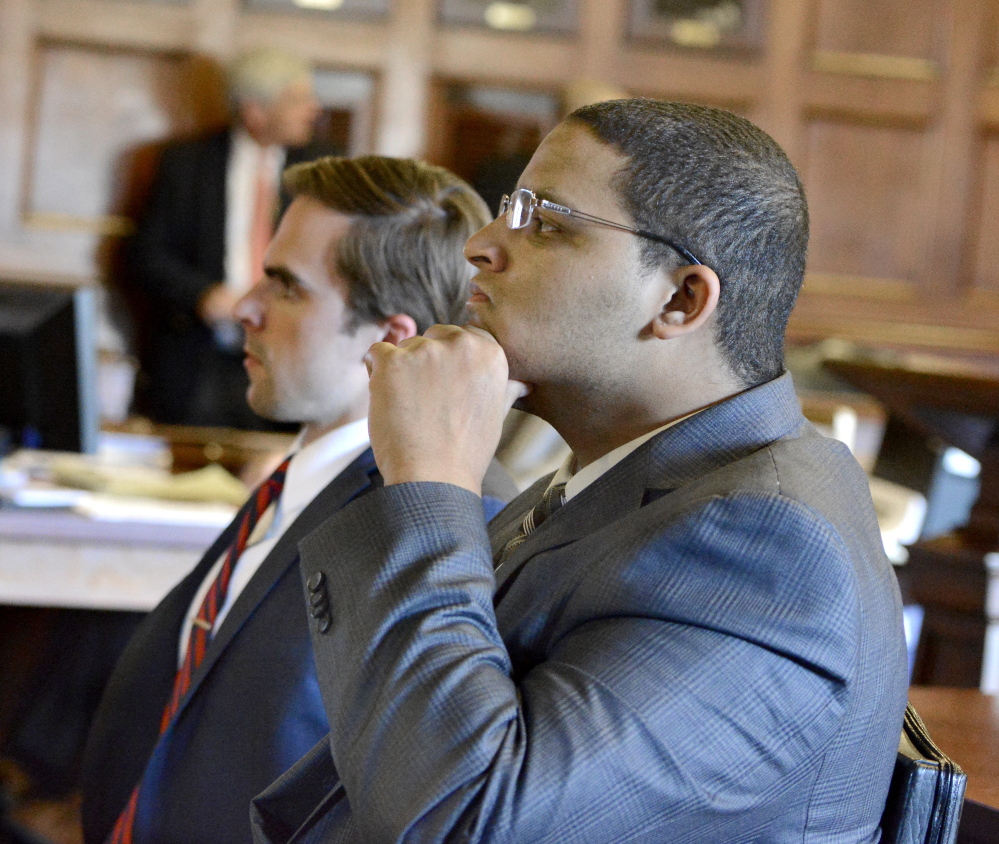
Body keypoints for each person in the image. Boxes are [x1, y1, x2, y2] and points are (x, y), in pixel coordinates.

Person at [251, 100, 909, 842]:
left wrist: (431, 482)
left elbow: (471, 820)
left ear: (679, 298)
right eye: (509, 210)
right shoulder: (627, 480)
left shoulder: (766, 545)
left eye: (548, 223)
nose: (481, 245)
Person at [81, 155, 517, 844]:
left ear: (387, 339)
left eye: (285, 287)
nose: (246, 307)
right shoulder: (297, 476)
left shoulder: (444, 517)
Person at [129, 47, 333, 428]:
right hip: (199, 358)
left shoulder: (324, 172)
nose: (313, 108)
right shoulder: (186, 163)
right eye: (297, 98)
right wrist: (204, 295)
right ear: (255, 110)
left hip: (288, 362)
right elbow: (147, 256)